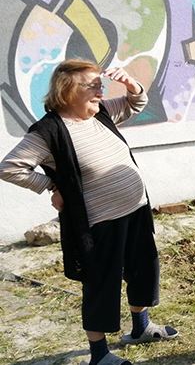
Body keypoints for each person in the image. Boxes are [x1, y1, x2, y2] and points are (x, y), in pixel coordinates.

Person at [0, 59, 178, 365]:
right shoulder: (49, 131)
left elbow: (137, 102)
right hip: (99, 222)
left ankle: (140, 327)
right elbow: (10, 168)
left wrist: (131, 84)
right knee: (101, 283)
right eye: (93, 85)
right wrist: (53, 186)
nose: (101, 90)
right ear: (68, 89)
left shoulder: (101, 112)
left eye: (101, 84)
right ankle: (99, 354)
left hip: (134, 209)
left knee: (142, 267)